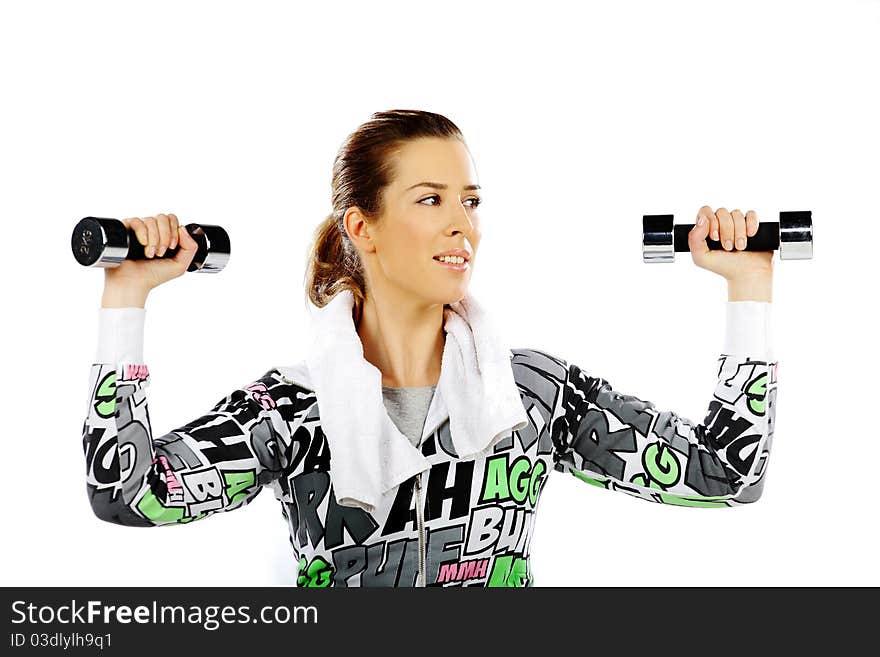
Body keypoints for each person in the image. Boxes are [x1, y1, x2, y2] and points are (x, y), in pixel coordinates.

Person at [81, 109, 778, 587]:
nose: (462, 227)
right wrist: (127, 298)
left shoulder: (531, 394)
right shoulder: (291, 408)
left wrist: (748, 286)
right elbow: (126, 492)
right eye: (430, 200)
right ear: (364, 226)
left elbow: (727, 473)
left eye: (470, 201)